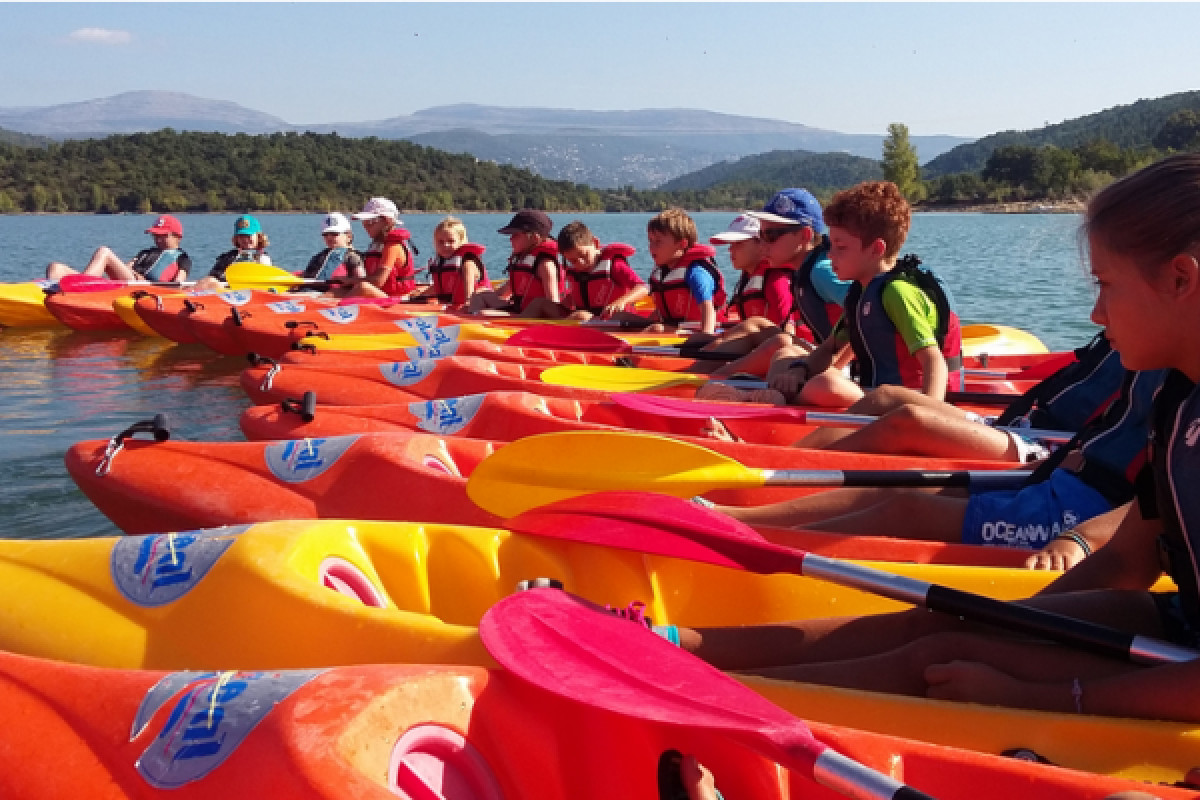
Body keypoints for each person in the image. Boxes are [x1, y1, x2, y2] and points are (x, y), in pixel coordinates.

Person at [644, 154, 1200, 724]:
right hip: (1171, 619)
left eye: (1106, 286)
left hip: (1181, 668)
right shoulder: (1177, 398)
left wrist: (1044, 698)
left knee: (937, 658)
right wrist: (1008, 624)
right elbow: (1130, 554)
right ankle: (670, 648)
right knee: (947, 626)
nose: (1096, 313)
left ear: (1182, 279)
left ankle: (686, 702)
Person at [701, 181, 962, 407]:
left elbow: (934, 361)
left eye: (840, 247)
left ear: (876, 249)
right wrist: (801, 371)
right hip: (873, 392)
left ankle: (761, 397)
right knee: (793, 365)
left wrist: (932, 411)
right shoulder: (860, 292)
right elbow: (831, 347)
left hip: (908, 399)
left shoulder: (896, 292)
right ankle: (771, 397)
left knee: (825, 383)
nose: (831, 254)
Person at [690, 190, 851, 370]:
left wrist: (837, 364)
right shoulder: (805, 269)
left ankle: (711, 378)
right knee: (755, 325)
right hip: (826, 355)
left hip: (843, 366)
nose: (763, 245)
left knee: (780, 342)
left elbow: (864, 310)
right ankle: (695, 371)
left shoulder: (821, 271)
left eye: (771, 236)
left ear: (805, 235)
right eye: (760, 236)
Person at [531, 219, 649, 322]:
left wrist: (621, 302)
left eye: (584, 255)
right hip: (585, 319)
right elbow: (578, 295)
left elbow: (643, 288)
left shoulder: (615, 265)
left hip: (611, 320)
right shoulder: (574, 270)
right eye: (573, 261)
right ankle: (523, 328)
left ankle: (557, 332)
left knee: (580, 316)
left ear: (595, 243)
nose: (580, 263)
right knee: (539, 303)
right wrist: (563, 304)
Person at [642, 208, 727, 335]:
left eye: (658, 241)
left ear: (682, 244)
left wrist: (705, 338)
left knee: (656, 329)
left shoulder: (696, 272)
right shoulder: (663, 271)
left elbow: (708, 309)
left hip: (700, 331)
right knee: (623, 317)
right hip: (675, 327)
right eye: (650, 241)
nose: (651, 247)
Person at [468, 210, 562, 316]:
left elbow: (553, 305)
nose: (511, 239)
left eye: (516, 235)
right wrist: (485, 291)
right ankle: (466, 319)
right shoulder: (521, 259)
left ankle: (473, 319)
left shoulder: (545, 265)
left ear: (535, 238)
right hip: (518, 309)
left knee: (483, 313)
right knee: (478, 295)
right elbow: (505, 292)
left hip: (533, 316)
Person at [46, 214, 191, 283]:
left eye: (163, 236)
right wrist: (133, 273)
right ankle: (51, 298)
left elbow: (178, 283)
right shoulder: (145, 253)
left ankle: (83, 286)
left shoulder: (182, 258)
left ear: (178, 237)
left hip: (145, 288)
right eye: (155, 235)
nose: (158, 239)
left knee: (104, 252)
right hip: (129, 281)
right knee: (55, 268)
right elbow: (127, 267)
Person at [409, 216, 489, 311]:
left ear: (461, 241)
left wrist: (468, 304)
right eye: (440, 242)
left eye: (451, 241)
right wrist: (421, 293)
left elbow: (469, 293)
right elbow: (445, 287)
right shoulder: (441, 261)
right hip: (450, 306)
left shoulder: (468, 262)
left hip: (476, 306)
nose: (445, 245)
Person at [344, 197, 418, 299]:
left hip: (397, 299)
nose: (366, 226)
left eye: (370, 222)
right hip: (381, 295)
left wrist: (351, 280)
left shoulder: (392, 246)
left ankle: (336, 308)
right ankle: (324, 304)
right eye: (364, 222)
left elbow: (378, 281)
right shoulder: (376, 244)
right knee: (339, 291)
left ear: (387, 221)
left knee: (362, 287)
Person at [192, 214, 271, 291]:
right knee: (210, 281)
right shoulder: (229, 257)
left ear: (258, 236)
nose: (245, 240)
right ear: (236, 239)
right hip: (228, 292)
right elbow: (213, 276)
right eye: (241, 236)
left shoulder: (264, 259)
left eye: (248, 236)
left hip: (254, 291)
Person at [300, 212, 366, 294]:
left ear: (348, 236)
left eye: (334, 234)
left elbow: (361, 281)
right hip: (307, 291)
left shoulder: (352, 256)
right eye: (325, 234)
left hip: (330, 294)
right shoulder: (319, 256)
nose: (329, 237)